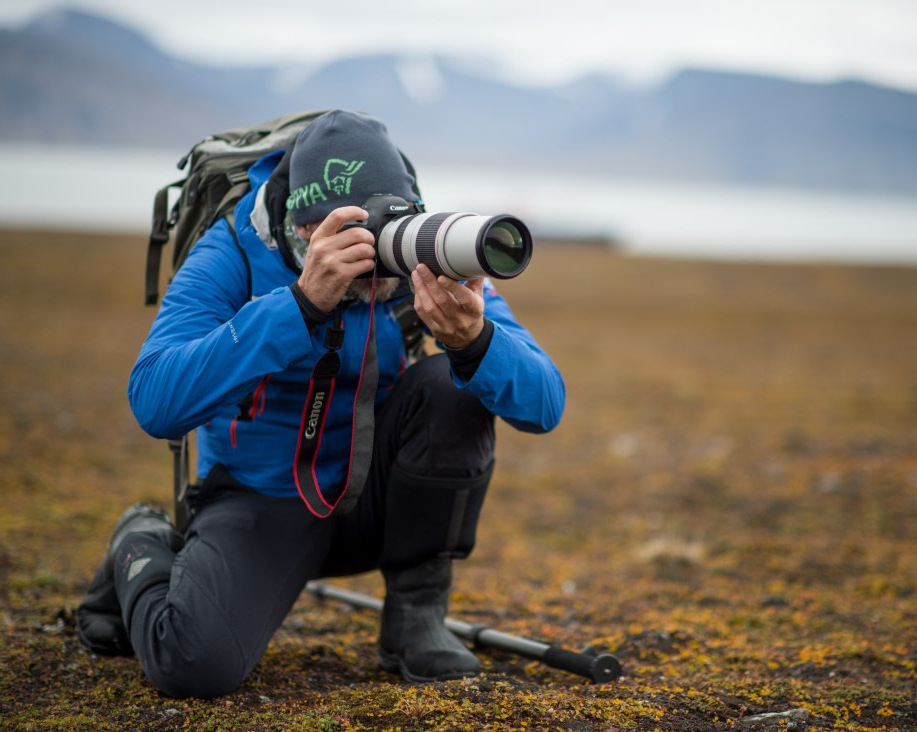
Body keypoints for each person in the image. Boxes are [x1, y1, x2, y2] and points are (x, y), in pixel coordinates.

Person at [75, 110, 565, 698]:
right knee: (192, 664)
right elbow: (154, 401)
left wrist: (474, 343)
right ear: (306, 230)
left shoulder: (425, 256)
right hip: (262, 500)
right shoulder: (234, 249)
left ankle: (415, 618)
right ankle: (143, 540)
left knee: (449, 386)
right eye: (352, 234)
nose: (377, 262)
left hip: (374, 497)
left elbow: (545, 404)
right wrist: (300, 306)